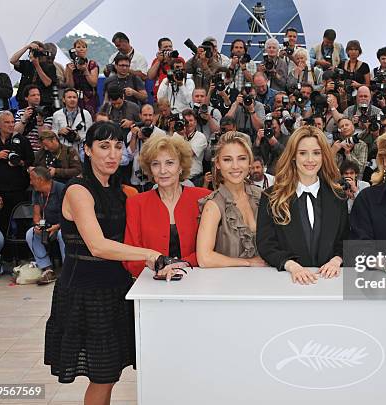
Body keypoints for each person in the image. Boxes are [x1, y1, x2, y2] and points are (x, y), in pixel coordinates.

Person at [44, 121, 180, 404]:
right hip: (85, 293)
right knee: (103, 376)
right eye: (104, 146)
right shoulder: (78, 190)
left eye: (118, 147)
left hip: (117, 291)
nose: (112, 154)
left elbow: (134, 235)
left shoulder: (124, 192)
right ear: (87, 150)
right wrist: (148, 254)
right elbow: (98, 245)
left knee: (111, 374)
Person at [257, 126, 348, 284]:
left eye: (316, 153)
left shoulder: (337, 196)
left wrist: (336, 260)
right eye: (303, 153)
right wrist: (291, 266)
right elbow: (266, 244)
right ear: (293, 156)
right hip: (287, 281)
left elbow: (345, 238)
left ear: (323, 156)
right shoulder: (271, 196)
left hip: (329, 282)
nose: (310, 160)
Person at [124, 135, 211, 277]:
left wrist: (181, 264)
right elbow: (130, 256)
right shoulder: (135, 203)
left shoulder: (203, 198)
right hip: (151, 283)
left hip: (198, 280)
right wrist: (155, 266)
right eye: (156, 164)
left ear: (181, 166)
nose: (162, 170)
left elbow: (213, 247)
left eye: (169, 163)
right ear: (150, 169)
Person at [196, 132, 265, 267]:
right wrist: (248, 263)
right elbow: (204, 258)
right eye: (227, 159)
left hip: (264, 281)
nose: (235, 166)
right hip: (227, 284)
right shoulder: (213, 205)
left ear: (250, 162)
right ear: (218, 164)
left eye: (241, 158)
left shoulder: (261, 196)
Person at [0, 111, 34, 238]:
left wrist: (20, 162)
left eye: (12, 122)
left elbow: (31, 161)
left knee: (22, 222)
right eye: (7, 122)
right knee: (2, 223)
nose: (11, 125)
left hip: (19, 189)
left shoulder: (22, 140)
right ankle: (5, 255)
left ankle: (23, 254)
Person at [26, 167, 66, 285]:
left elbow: (71, 214)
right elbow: (36, 214)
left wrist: (57, 226)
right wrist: (38, 226)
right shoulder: (36, 191)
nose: (30, 182)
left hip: (63, 225)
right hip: (47, 226)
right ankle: (47, 269)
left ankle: (67, 268)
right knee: (31, 233)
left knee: (62, 234)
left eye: (32, 179)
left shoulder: (61, 189)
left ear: (40, 179)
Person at [10, 41, 58, 108]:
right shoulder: (27, 64)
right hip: (24, 102)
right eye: (36, 52)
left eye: (40, 53)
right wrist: (27, 47)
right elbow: (13, 60)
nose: (38, 55)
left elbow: (48, 83)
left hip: (42, 103)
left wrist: (37, 65)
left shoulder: (49, 67)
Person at [51, 88, 94, 156]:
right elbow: (52, 134)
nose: (72, 99)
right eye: (69, 97)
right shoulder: (57, 114)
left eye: (74, 97)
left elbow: (90, 134)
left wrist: (79, 137)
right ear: (63, 100)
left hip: (80, 151)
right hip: (62, 152)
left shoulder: (86, 114)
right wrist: (59, 132)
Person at [64, 39, 99, 116]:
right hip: (75, 98)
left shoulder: (91, 64)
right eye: (78, 47)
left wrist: (85, 70)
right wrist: (70, 72)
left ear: (86, 49)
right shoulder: (69, 66)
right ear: (74, 49)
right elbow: (70, 86)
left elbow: (93, 83)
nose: (81, 49)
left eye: (84, 47)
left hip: (90, 98)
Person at [14, 85, 53, 152]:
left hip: (40, 151)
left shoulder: (47, 113)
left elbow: (45, 136)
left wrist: (40, 123)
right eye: (33, 95)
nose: (37, 97)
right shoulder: (21, 113)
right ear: (26, 98)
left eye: (38, 95)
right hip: (24, 150)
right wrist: (24, 119)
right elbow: (16, 133)